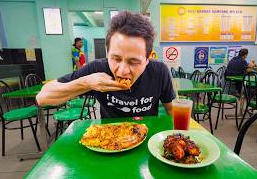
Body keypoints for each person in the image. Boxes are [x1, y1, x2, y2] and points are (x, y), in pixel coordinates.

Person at [36, 11, 175, 118]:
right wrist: (86, 83)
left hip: (146, 140)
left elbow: (171, 110)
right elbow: (42, 98)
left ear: (147, 59)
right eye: (115, 58)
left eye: (134, 61)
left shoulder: (159, 71)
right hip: (108, 143)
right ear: (108, 53)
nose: (122, 70)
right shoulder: (97, 69)